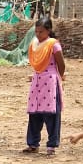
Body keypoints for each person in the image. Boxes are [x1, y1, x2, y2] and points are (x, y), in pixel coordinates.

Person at [23, 17, 66, 156]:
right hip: (37, 81)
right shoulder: (35, 44)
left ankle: (51, 146)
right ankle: (32, 143)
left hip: (51, 82)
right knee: (34, 113)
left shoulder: (53, 45)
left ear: (48, 30)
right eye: (36, 31)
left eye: (41, 32)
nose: (38, 34)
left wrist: (59, 78)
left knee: (51, 113)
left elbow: (61, 64)